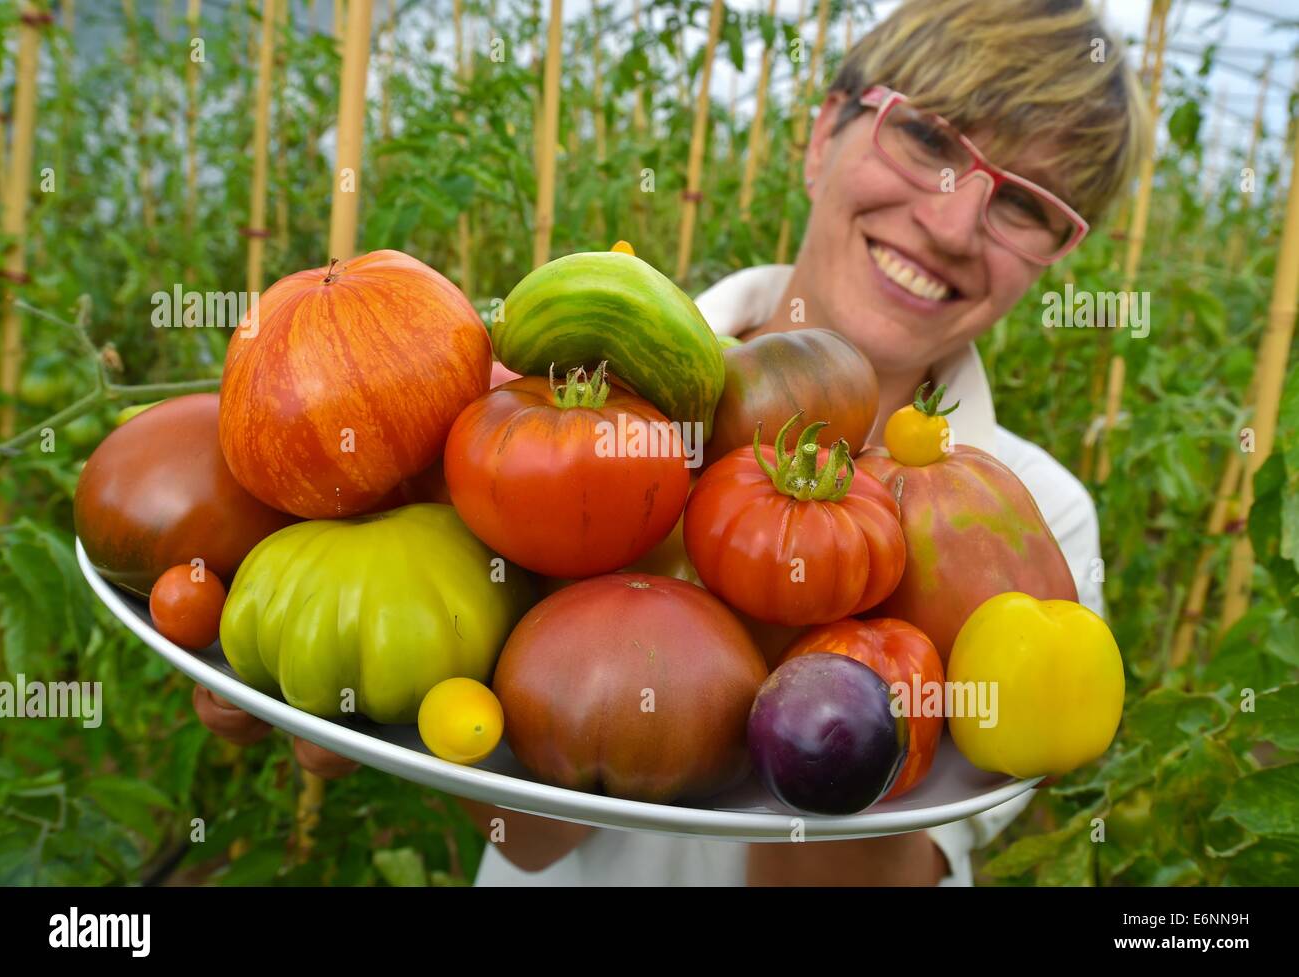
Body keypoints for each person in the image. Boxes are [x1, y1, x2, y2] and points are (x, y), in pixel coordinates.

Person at [466, 0, 1150, 886]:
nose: (949, 225)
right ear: (826, 131)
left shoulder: (1045, 521)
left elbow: (891, 868)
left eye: (1023, 203)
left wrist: (833, 689)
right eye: (932, 141)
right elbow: (527, 837)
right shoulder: (574, 423)